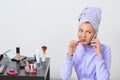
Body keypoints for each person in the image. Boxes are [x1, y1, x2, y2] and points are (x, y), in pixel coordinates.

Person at [61, 7, 111, 80]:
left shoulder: (105, 49)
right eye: (81, 30)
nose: (83, 35)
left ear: (95, 33)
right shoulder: (75, 48)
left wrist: (98, 54)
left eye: (88, 32)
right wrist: (70, 55)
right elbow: (64, 77)